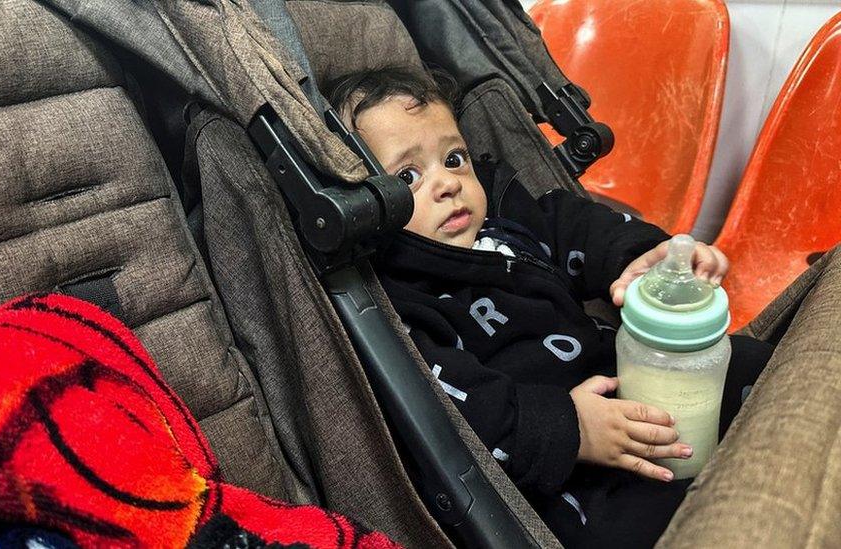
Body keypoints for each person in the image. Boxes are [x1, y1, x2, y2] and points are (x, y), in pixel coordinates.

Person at [324, 67, 775, 548]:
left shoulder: (508, 217)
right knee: (622, 528)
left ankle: (774, 474)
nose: (447, 184)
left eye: (453, 159)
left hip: (621, 380)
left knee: (751, 362)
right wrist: (573, 428)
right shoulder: (399, 300)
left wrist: (643, 257)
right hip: (557, 468)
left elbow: (579, 227)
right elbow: (452, 407)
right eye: (408, 176)